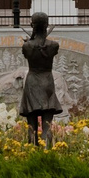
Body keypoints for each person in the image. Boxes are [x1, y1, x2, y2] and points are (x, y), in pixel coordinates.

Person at [18, 11, 62, 145]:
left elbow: (30, 51)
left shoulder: (27, 46)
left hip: (32, 83)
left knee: (31, 125)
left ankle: (32, 154)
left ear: (32, 25)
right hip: (47, 82)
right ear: (47, 25)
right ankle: (47, 153)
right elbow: (45, 49)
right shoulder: (54, 45)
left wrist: (30, 40)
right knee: (47, 125)